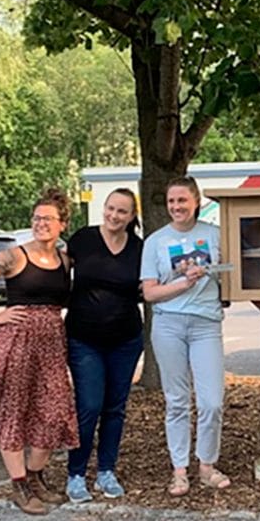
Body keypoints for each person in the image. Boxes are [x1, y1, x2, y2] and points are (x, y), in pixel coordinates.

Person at [0, 188, 78, 516]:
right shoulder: (14, 255)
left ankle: (36, 476)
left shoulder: (65, 260)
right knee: (13, 411)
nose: (41, 224)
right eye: (37, 218)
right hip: (16, 343)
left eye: (48, 219)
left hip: (52, 344)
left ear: (62, 224)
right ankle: (20, 484)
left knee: (53, 411)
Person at [140, 176, 230, 496]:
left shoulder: (216, 236)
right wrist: (184, 283)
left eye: (182, 200)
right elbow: (149, 293)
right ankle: (180, 470)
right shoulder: (155, 242)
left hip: (206, 325)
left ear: (196, 202)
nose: (176, 207)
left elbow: (235, 269)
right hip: (168, 325)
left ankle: (206, 465)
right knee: (177, 402)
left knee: (212, 402)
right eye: (171, 202)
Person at [63, 188, 145, 504]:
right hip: (84, 339)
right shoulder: (82, 239)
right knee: (89, 405)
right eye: (110, 208)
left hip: (125, 340)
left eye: (122, 211)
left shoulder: (139, 248)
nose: (114, 215)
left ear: (131, 216)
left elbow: (149, 286)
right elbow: (57, 276)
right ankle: (76, 474)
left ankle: (106, 470)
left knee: (115, 408)